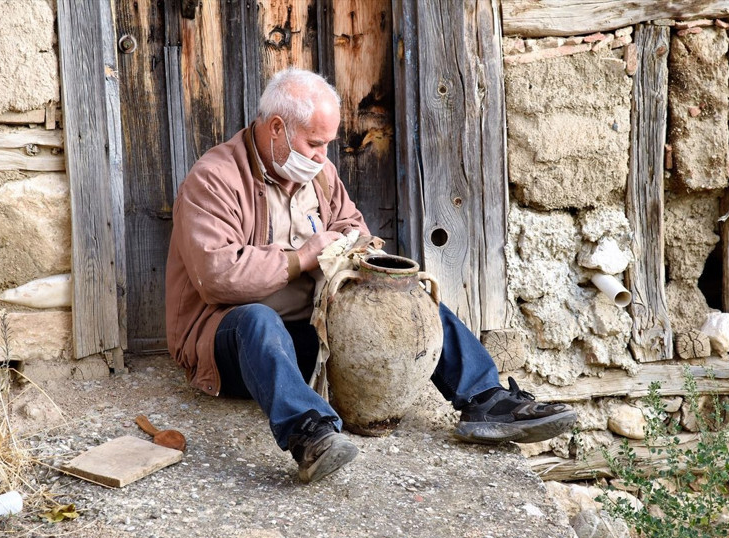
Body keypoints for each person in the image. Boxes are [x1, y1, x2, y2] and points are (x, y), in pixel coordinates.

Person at [165, 68, 576, 483]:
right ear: (277, 128)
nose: (324, 156)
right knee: (257, 320)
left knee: (410, 295)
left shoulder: (319, 174)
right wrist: (303, 256)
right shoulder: (214, 178)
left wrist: (361, 251)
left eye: (327, 143)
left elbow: (354, 228)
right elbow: (219, 276)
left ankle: (485, 398)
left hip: (312, 331)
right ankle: (310, 433)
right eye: (314, 143)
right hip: (229, 343)